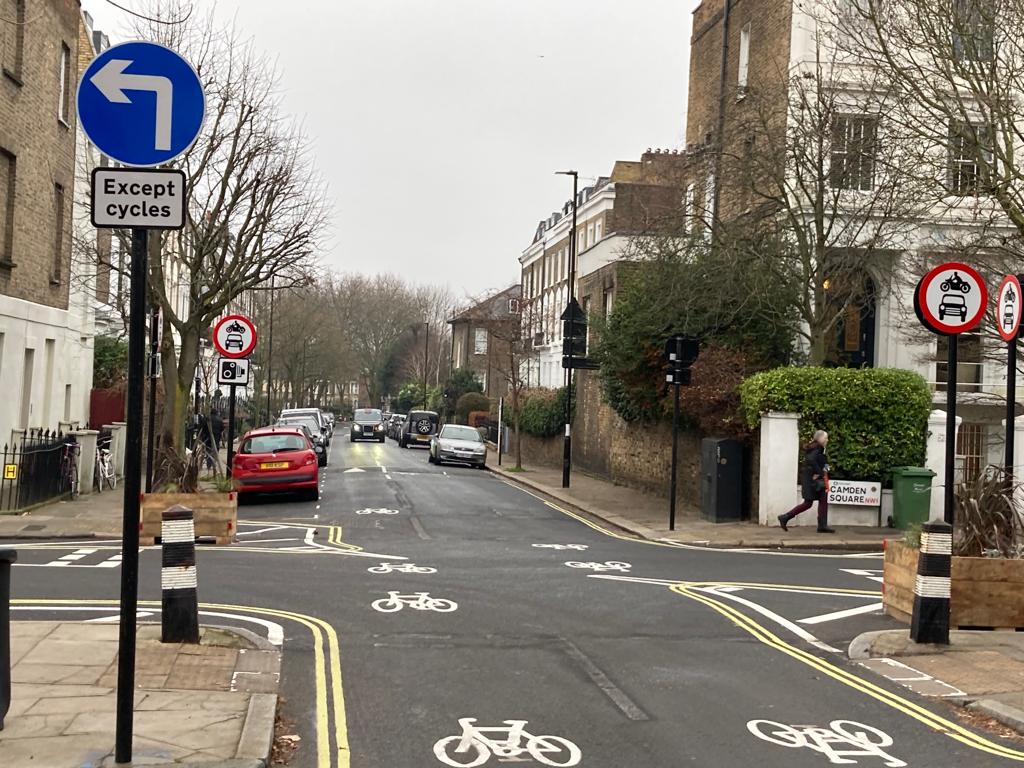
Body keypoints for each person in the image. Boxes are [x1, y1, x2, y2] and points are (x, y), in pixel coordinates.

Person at [778, 429, 835, 533]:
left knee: (814, 502)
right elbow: (811, 460)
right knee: (815, 502)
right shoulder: (817, 448)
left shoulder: (816, 447)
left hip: (812, 479)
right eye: (825, 437)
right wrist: (820, 473)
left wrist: (825, 470)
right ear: (820, 438)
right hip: (815, 481)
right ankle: (821, 525)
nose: (827, 440)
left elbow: (819, 462)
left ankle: (786, 517)